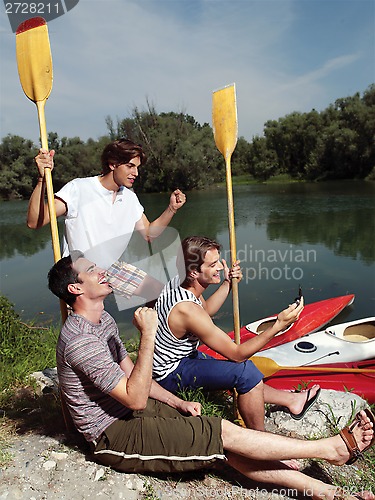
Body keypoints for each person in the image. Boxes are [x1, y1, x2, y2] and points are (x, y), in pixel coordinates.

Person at [47, 252, 375, 500]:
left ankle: (325, 492)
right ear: (76, 287)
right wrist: (148, 335)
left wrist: (176, 401)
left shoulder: (101, 319)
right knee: (222, 434)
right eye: (91, 270)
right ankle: (330, 449)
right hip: (111, 435)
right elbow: (134, 394)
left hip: (128, 410)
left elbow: (130, 373)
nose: (102, 271)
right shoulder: (79, 341)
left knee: (223, 445)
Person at [153, 236, 321, 431]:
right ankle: (260, 441)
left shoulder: (179, 283)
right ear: (193, 271)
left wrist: (227, 283)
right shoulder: (187, 310)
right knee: (245, 371)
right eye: (213, 264)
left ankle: (292, 400)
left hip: (181, 358)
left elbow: (205, 310)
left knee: (237, 370)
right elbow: (237, 354)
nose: (218, 267)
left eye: (218, 261)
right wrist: (278, 326)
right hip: (169, 374)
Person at [28, 139, 186, 302]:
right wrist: (41, 179)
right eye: (130, 166)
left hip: (112, 269)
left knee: (159, 292)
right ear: (113, 164)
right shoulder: (79, 189)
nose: (136, 173)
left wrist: (172, 209)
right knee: (86, 321)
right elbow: (35, 222)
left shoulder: (130, 198)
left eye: (137, 168)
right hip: (79, 274)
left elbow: (149, 234)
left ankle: (150, 326)